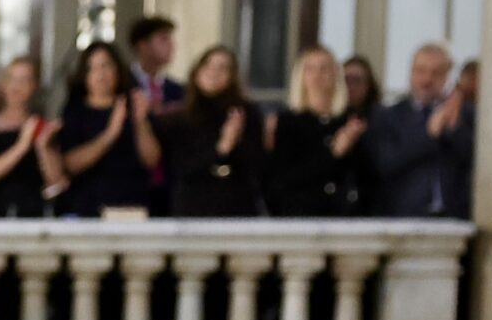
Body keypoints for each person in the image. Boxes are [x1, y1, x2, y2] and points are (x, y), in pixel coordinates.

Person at [365, 42, 475, 220]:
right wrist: (429, 134)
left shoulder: (467, 114)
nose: (427, 80)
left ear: (448, 76)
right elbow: (385, 163)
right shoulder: (387, 116)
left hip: (455, 219)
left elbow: (474, 161)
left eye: (436, 73)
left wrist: (454, 126)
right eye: (420, 71)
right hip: (404, 219)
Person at [53, 40, 160, 218]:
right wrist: (110, 134)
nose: (100, 74)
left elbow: (152, 160)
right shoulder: (74, 111)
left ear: (118, 70)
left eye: (106, 66)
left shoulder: (134, 106)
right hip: (87, 207)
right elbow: (70, 164)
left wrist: (141, 122)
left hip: (132, 206)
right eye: (93, 68)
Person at [161, 44, 264, 217]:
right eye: (208, 65)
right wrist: (222, 147)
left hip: (237, 204)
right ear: (197, 71)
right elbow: (180, 167)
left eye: (223, 68)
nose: (213, 72)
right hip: (193, 205)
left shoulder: (245, 113)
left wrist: (236, 141)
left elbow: (257, 165)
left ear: (232, 77)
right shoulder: (179, 118)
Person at [265, 45, 369, 217]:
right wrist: (334, 152)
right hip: (302, 215)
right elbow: (286, 177)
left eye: (324, 68)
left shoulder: (350, 120)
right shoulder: (288, 122)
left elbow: (364, 175)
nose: (317, 75)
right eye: (310, 69)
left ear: (335, 74)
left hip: (344, 215)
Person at [0, 54, 58, 219]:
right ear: (3, 83)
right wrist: (22, 145)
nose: (17, 86)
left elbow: (57, 181)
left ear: (34, 86)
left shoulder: (41, 125)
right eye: (12, 79)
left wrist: (43, 147)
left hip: (34, 214)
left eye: (24, 80)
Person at [127, 15, 183, 109]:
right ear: (143, 45)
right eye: (164, 39)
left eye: (171, 39)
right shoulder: (122, 82)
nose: (172, 45)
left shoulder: (177, 90)